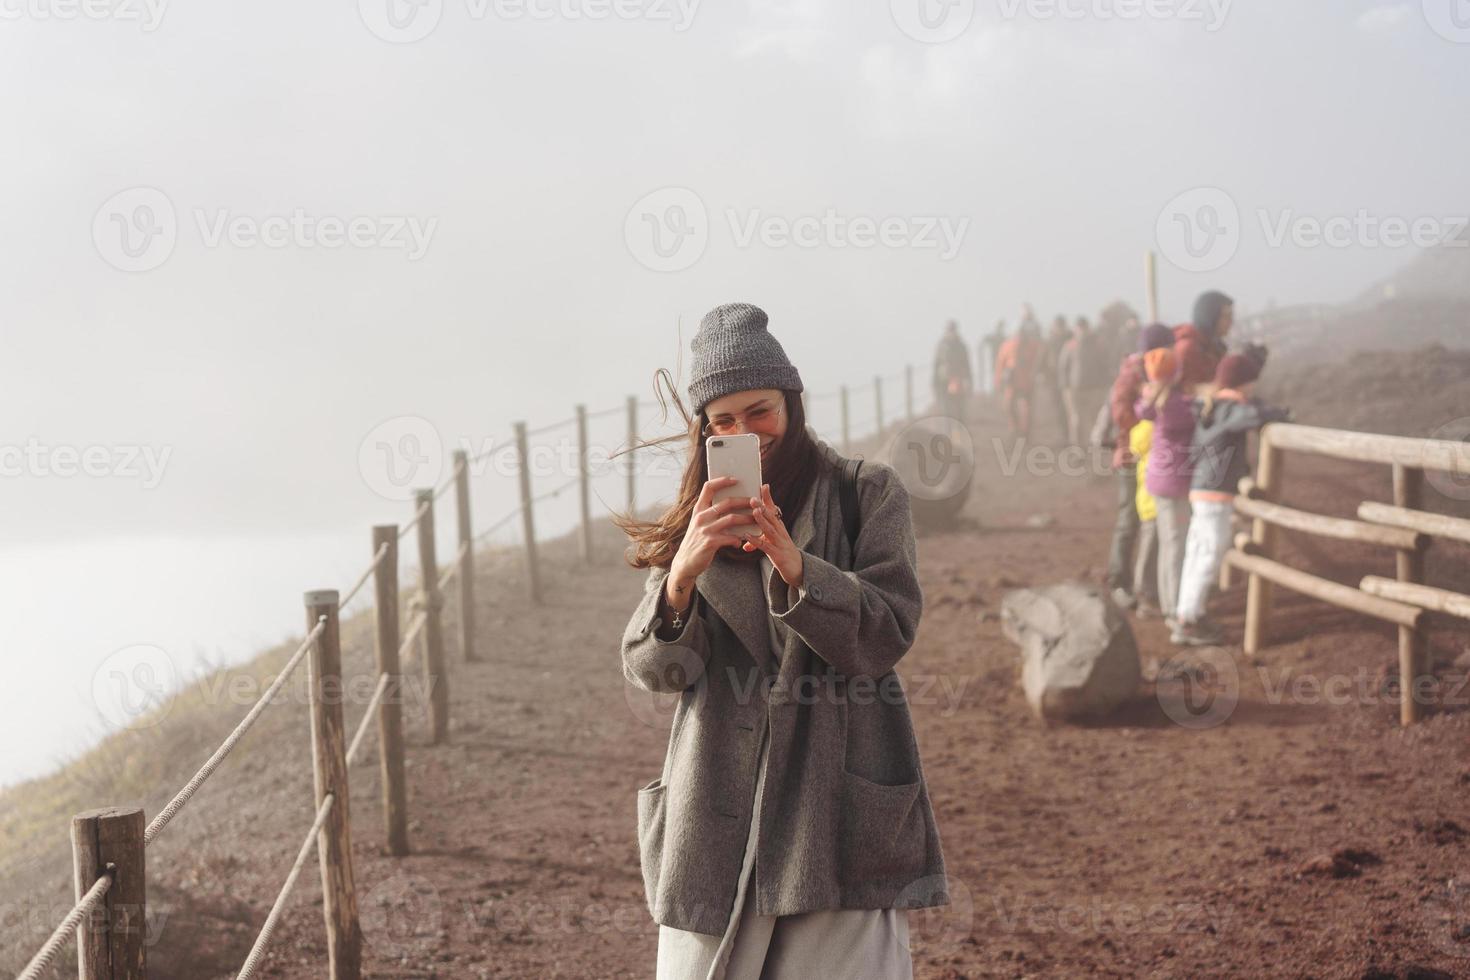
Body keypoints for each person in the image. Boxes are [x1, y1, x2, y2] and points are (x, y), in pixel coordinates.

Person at [616, 302, 947, 980]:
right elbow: (655, 673)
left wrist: (798, 567)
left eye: (759, 411)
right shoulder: (696, 518)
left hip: (834, 808)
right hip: (714, 807)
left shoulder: (866, 494)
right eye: (724, 421)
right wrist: (680, 577)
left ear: (791, 402)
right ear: (706, 430)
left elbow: (888, 632)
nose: (747, 433)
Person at [1172, 351, 1289, 646]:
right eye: (1250, 383)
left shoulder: (1211, 406)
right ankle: (1188, 622)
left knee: (1197, 551)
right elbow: (1252, 416)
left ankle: (1187, 612)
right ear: (1242, 383)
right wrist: (1282, 414)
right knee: (1211, 552)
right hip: (1215, 491)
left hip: (1201, 488)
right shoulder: (1233, 407)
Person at [1103, 323, 1176, 609]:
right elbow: (1120, 412)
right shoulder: (1132, 374)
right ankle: (1118, 581)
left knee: (1148, 520)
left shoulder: (1154, 370)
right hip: (1132, 455)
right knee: (1129, 519)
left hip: (1151, 456)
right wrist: (1146, 421)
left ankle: (1147, 584)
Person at [1134, 347, 1196, 629]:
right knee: (1175, 548)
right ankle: (1174, 611)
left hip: (1157, 481)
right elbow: (1197, 413)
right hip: (1174, 484)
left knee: (1168, 547)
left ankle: (1168, 604)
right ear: (1176, 373)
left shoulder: (1155, 401)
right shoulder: (1177, 405)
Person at [1128, 417, 1162, 619]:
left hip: (1150, 497)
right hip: (1152, 500)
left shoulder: (1144, 428)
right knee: (1150, 548)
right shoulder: (1150, 427)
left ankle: (1149, 593)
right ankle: (1145, 595)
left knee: (1154, 547)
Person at [1058, 316, 1104, 446]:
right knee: (1076, 418)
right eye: (1079, 328)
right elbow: (1063, 366)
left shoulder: (1096, 344)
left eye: (1084, 327)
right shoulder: (1070, 345)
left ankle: (1092, 442)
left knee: (1093, 417)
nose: (1082, 330)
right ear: (1075, 329)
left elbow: (1103, 364)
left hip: (1094, 387)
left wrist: (1103, 382)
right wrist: (1064, 386)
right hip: (1074, 388)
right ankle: (1077, 444)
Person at [1174, 291, 1233, 392]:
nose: (1231, 321)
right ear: (1210, 316)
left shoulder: (1214, 347)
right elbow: (1180, 389)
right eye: (1225, 316)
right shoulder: (1187, 348)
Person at [995, 317, 1042, 441]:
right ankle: (1015, 429)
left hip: (1027, 382)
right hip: (1012, 382)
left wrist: (1036, 375)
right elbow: (1000, 364)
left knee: (1026, 408)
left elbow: (1037, 362)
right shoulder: (1007, 345)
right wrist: (998, 380)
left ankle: (1025, 432)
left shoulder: (1032, 345)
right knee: (1009, 406)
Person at [1038, 315, 1072, 444]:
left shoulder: (1070, 340)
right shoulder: (1050, 341)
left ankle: (1071, 435)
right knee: (1059, 409)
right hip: (1054, 380)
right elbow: (1042, 358)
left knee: (1070, 410)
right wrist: (1039, 373)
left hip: (1069, 381)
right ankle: (1064, 435)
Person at [931, 319, 973, 420]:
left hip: (958, 379)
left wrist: (969, 380)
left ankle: (960, 428)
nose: (951, 332)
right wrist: (934, 381)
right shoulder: (941, 346)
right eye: (949, 329)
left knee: (959, 406)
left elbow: (966, 364)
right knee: (946, 407)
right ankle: (948, 430)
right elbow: (936, 364)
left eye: (952, 329)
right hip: (943, 380)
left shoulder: (961, 345)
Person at [981, 319, 1007, 396]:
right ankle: (995, 392)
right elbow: (983, 342)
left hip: (1002, 363)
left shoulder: (1004, 338)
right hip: (995, 362)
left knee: (1001, 379)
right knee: (995, 378)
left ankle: (998, 392)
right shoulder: (994, 337)